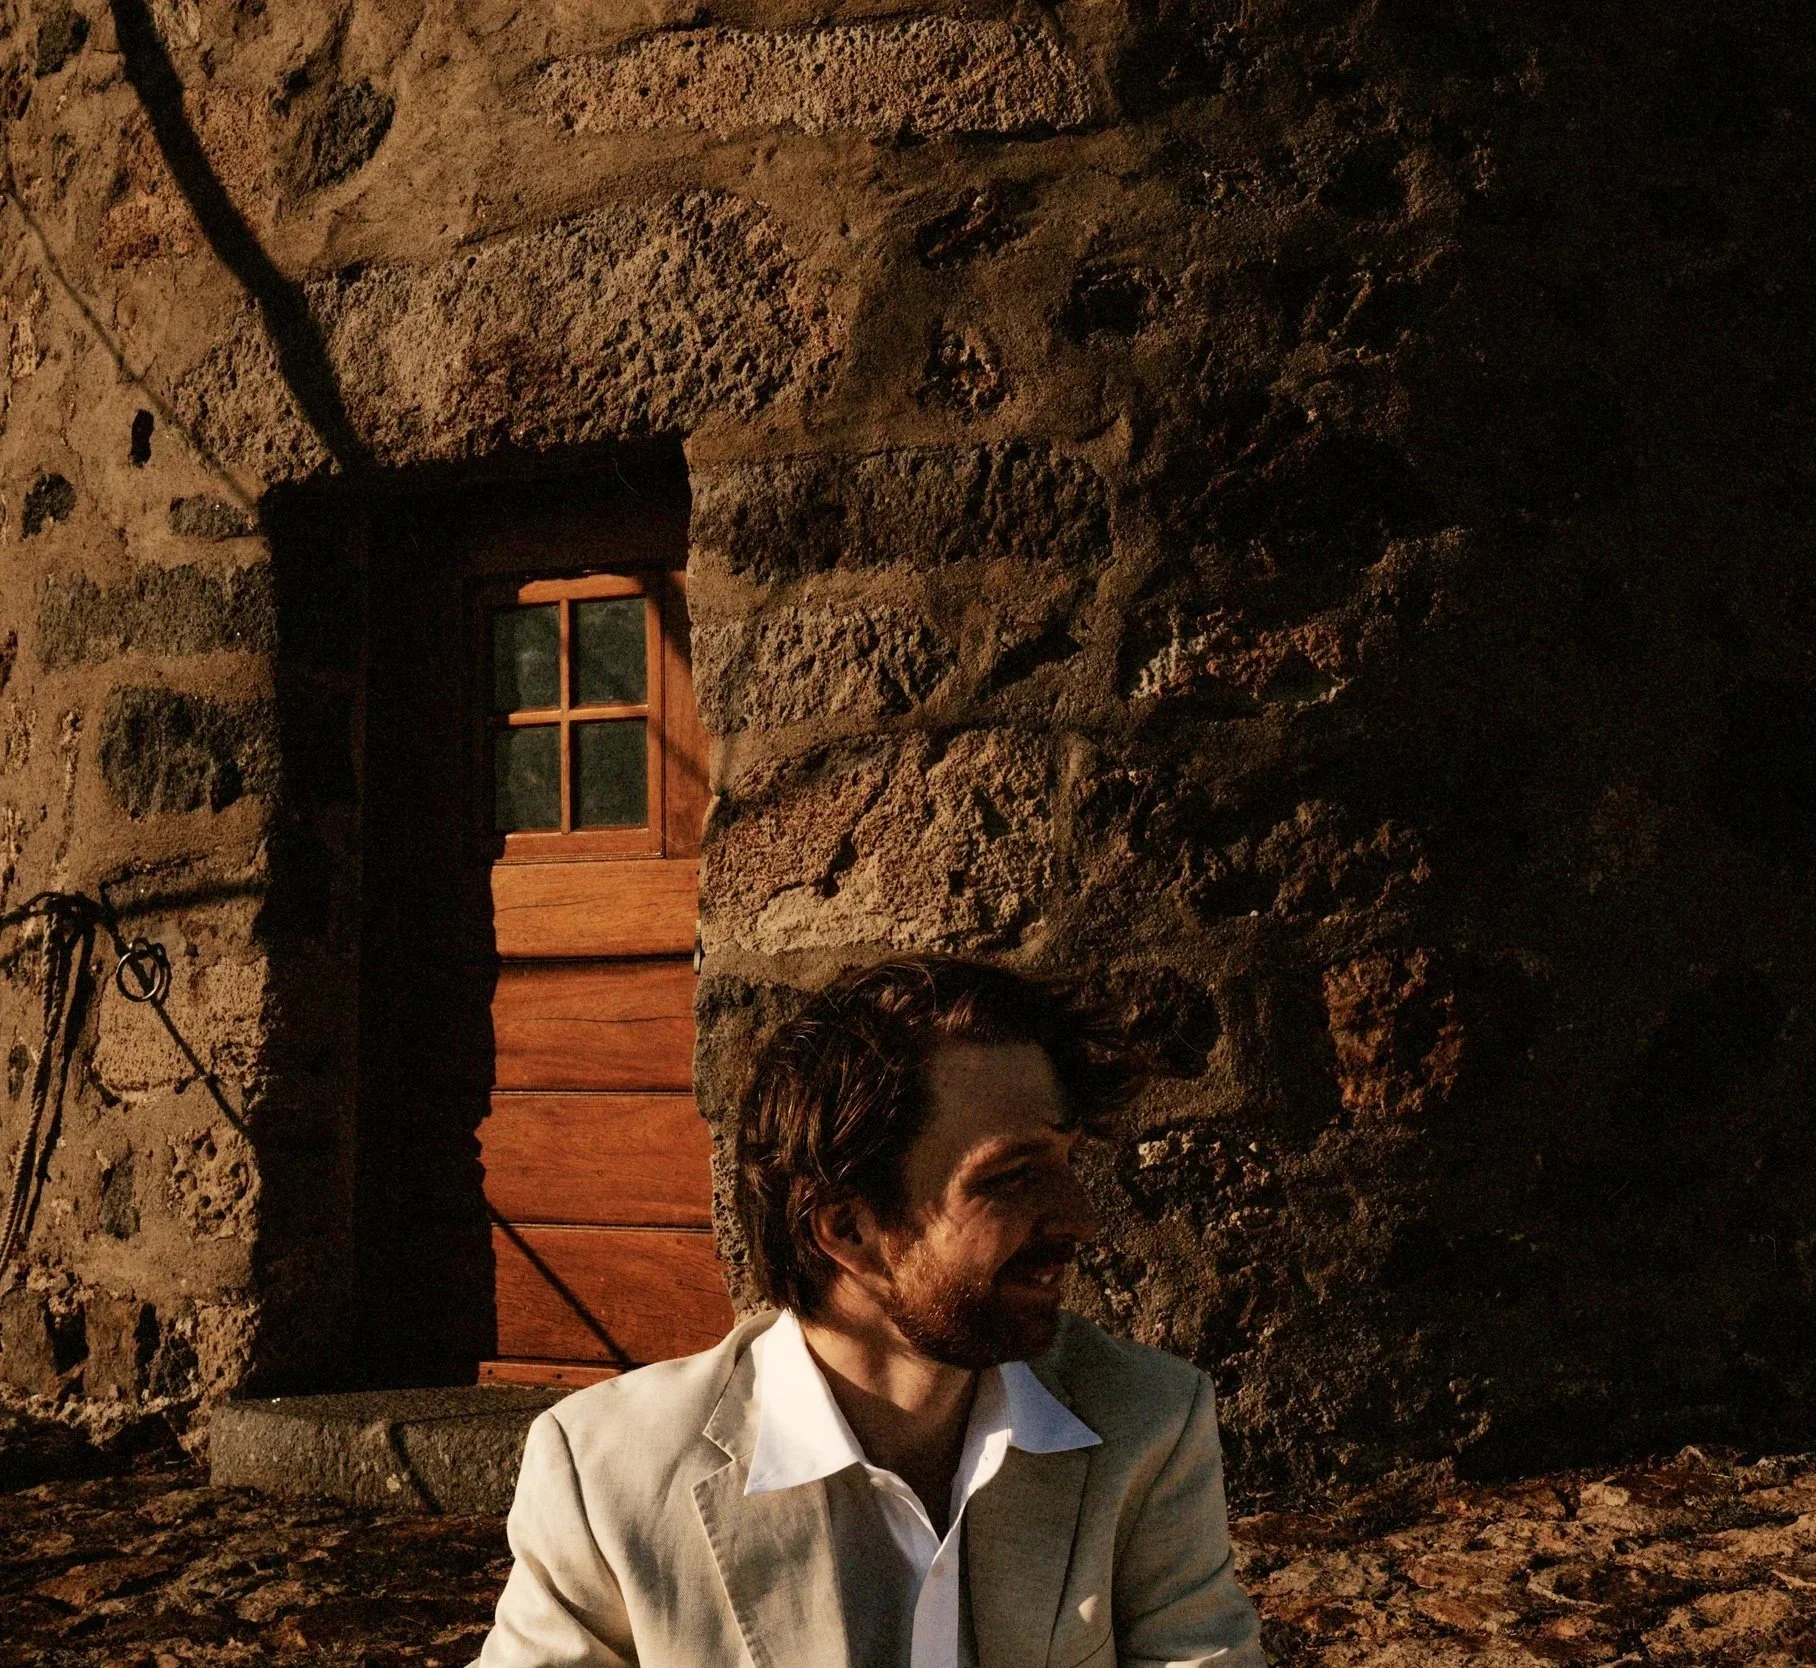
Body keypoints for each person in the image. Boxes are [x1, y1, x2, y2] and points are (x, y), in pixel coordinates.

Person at [473, 957, 1263, 1668]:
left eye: (1066, 1162)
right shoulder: (609, 1475)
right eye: (1011, 1177)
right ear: (849, 1229)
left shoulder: (1146, 1423)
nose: (1080, 1218)